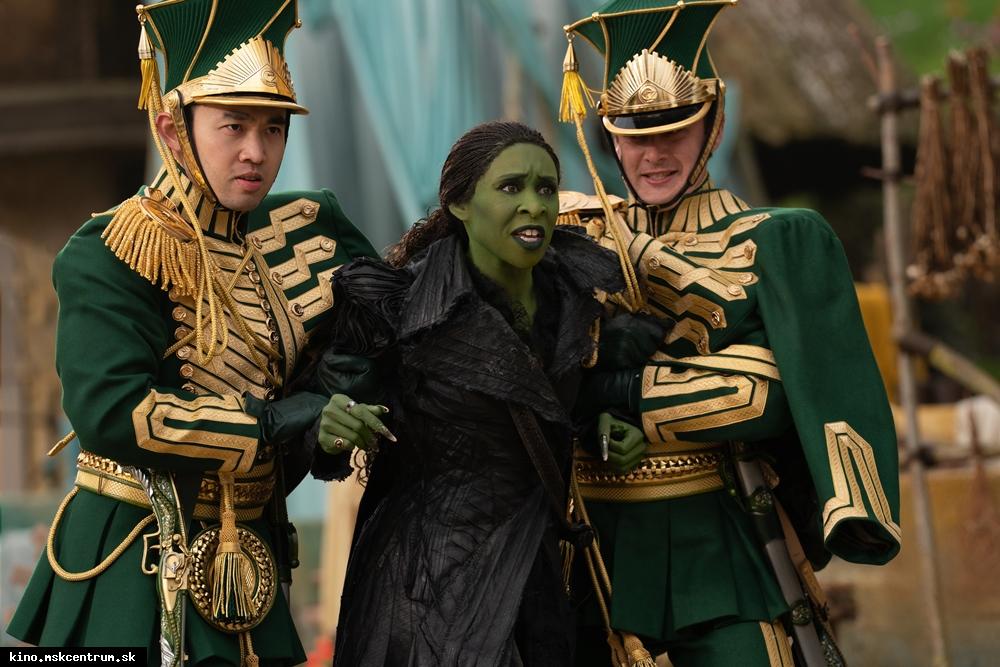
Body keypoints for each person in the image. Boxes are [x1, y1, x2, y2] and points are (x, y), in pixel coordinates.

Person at [6, 1, 376, 665]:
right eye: (233, 125)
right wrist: (271, 420)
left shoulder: (310, 232)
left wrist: (330, 410)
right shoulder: (110, 250)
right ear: (171, 130)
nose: (256, 151)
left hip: (254, 565)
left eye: (273, 128)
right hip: (132, 562)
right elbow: (114, 413)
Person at [555, 1, 902, 665]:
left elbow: (766, 391)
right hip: (591, 546)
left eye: (675, 130)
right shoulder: (574, 233)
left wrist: (618, 391)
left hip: (719, 537)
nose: (654, 153)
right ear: (610, 138)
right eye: (634, 135)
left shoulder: (776, 238)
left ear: (713, 125)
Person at [304, 121, 651, 666]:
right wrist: (330, 427)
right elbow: (326, 408)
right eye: (511, 187)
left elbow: (559, 402)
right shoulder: (400, 306)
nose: (534, 205)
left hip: (540, 578)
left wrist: (602, 423)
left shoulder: (575, 289)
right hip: (425, 591)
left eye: (545, 188)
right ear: (460, 204)